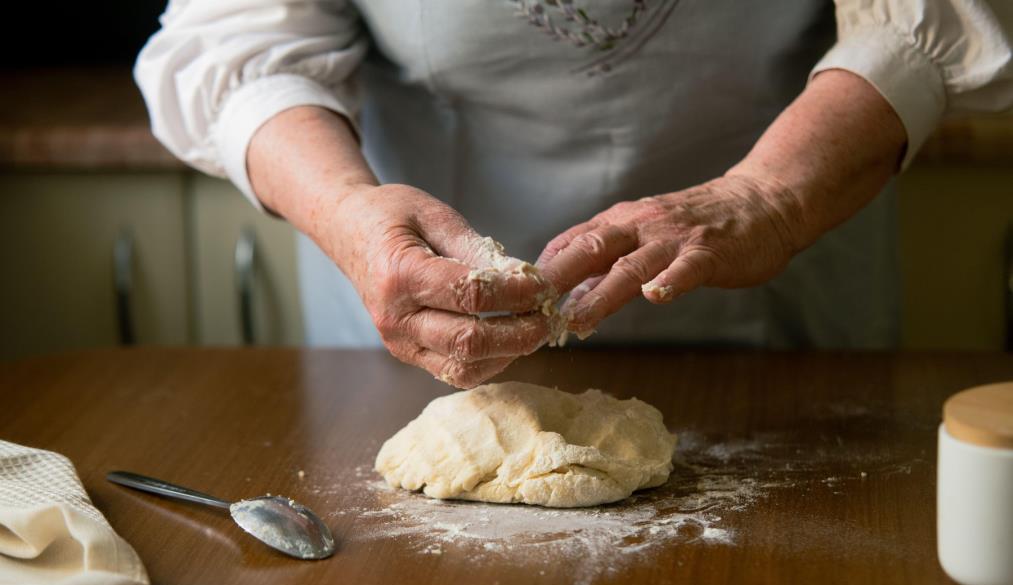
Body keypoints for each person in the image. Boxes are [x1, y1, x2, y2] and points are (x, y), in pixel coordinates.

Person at [136, 0, 1013, 388]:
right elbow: (240, 46)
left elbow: (927, 19)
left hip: (780, 302)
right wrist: (345, 213)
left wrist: (769, 198)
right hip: (414, 339)